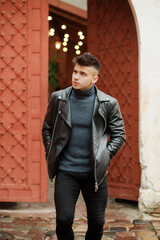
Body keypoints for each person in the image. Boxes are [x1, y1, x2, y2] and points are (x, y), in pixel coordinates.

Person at [42, 52, 126, 240]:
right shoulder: (59, 98)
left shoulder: (109, 103)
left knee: (97, 222)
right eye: (75, 71)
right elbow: (46, 128)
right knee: (63, 219)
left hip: (94, 173)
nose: (76, 77)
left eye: (83, 74)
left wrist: (104, 155)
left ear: (95, 79)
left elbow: (120, 135)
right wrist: (52, 152)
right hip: (66, 171)